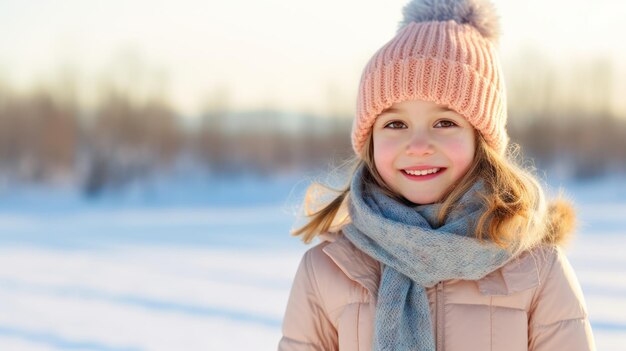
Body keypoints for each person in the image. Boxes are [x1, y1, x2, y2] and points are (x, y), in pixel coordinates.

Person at [277, 0, 596, 350]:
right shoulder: (328, 270)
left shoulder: (536, 270)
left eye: (445, 122)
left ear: (482, 140)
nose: (418, 145)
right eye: (395, 123)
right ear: (369, 142)